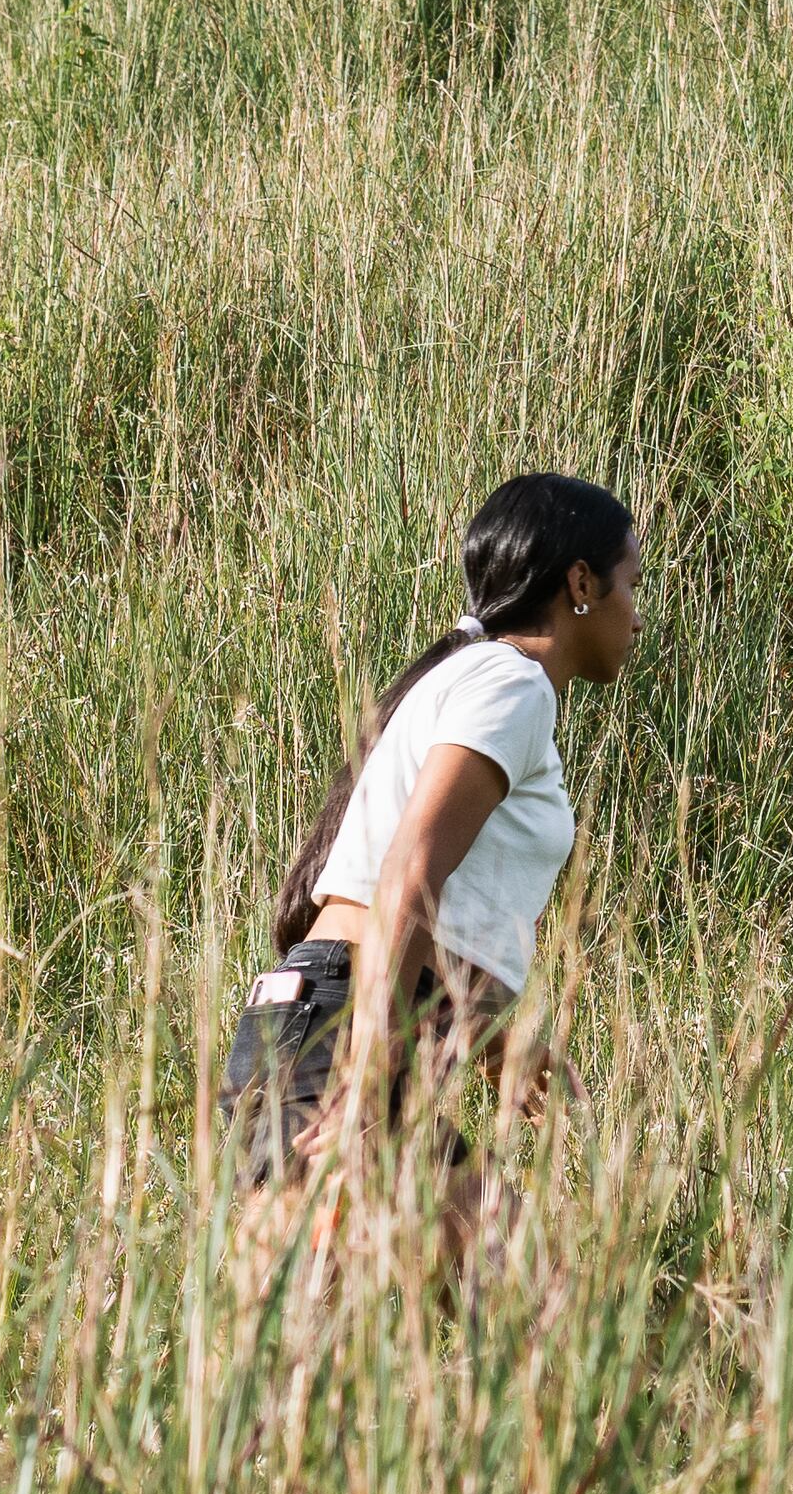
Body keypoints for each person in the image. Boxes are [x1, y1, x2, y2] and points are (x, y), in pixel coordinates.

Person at [224, 473, 642, 1200]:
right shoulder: (514, 686)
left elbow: (440, 907)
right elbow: (410, 870)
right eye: (632, 584)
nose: (638, 617)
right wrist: (365, 1081)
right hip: (339, 1036)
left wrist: (482, 1035)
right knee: (501, 1286)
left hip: (326, 1021)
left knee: (508, 1277)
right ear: (582, 581)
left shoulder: (481, 679)